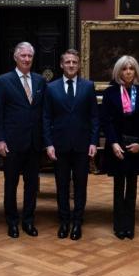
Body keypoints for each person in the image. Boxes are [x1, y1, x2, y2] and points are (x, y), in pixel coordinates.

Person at [42, 49, 99, 241]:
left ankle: (77, 222)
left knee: (81, 185)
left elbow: (94, 117)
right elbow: (46, 117)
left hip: (83, 145)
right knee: (62, 185)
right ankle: (64, 221)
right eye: (68, 62)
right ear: (61, 64)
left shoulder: (88, 86)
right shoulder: (51, 88)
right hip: (60, 146)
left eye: (75, 62)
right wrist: (48, 144)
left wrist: (93, 142)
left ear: (79, 65)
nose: (71, 65)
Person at [0, 42, 46, 238]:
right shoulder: (3, 81)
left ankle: (29, 221)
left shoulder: (40, 81)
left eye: (29, 56)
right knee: (11, 184)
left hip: (34, 142)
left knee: (32, 185)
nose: (26, 59)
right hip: (12, 143)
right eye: (23, 56)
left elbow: (43, 113)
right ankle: (12, 221)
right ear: (15, 57)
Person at [100, 55, 139, 240]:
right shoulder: (110, 93)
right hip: (117, 146)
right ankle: (118, 226)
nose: (128, 72)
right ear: (118, 71)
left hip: (136, 146)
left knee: (132, 188)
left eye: (131, 68)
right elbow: (106, 121)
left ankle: (129, 227)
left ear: (135, 71)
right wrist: (113, 143)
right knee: (118, 187)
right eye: (124, 68)